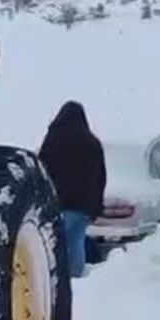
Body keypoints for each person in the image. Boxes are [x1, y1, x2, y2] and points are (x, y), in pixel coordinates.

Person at [39, 101, 107, 279]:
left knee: (54, 243)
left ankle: (54, 276)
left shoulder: (52, 140)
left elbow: (42, 170)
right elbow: (100, 178)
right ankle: (75, 276)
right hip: (82, 206)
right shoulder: (92, 143)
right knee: (76, 242)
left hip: (56, 203)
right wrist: (96, 206)